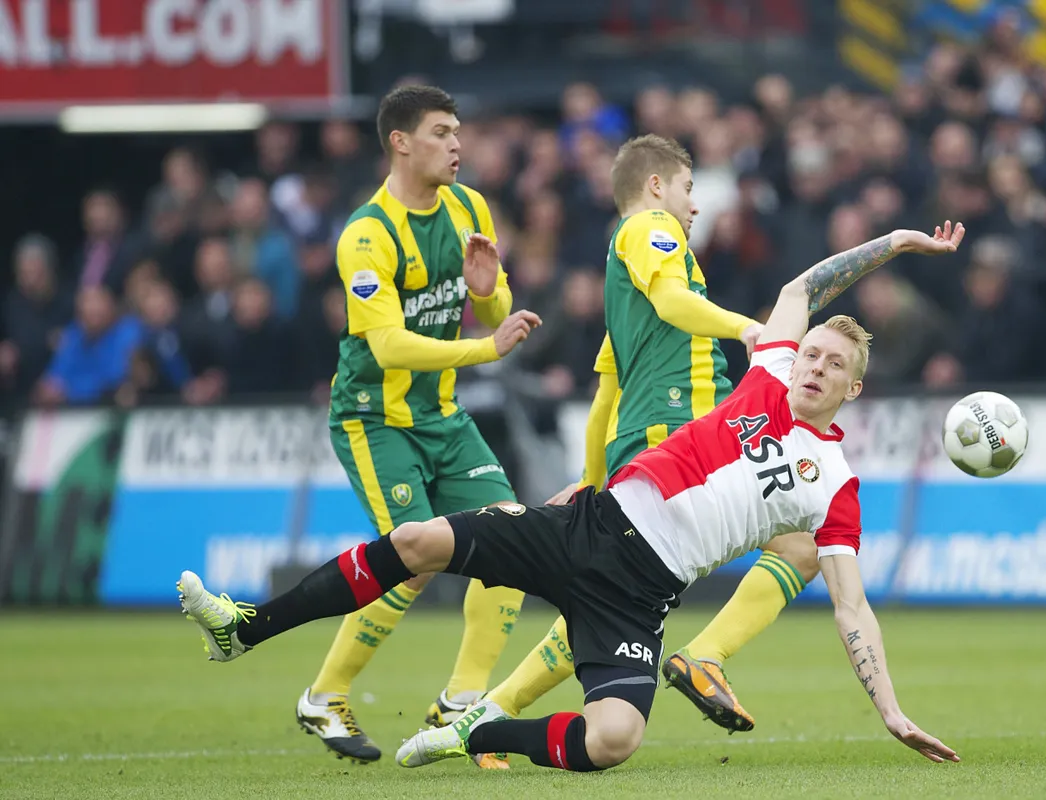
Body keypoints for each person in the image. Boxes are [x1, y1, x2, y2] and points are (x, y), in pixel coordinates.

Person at [176, 220, 967, 772]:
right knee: (418, 543)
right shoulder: (764, 374)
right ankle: (245, 628)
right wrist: (897, 243)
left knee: (615, 739)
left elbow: (851, 607)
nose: (815, 365)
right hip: (590, 526)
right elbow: (803, 285)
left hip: (641, 596)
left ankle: (478, 731)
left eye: (834, 364)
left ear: (854, 388)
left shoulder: (837, 488)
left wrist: (891, 710)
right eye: (813, 352)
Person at [484, 134, 821, 736]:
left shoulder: (629, 296)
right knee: (795, 545)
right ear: (657, 186)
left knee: (611, 596)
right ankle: (700, 658)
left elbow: (603, 400)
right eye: (689, 189)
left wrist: (590, 488)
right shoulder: (648, 232)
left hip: (671, 442)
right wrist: (751, 330)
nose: (695, 206)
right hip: (677, 442)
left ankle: (490, 708)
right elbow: (674, 300)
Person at [294, 84, 541, 766]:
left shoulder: (469, 207)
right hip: (374, 418)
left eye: (457, 130)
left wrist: (490, 294)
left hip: (440, 415)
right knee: (416, 559)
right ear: (400, 142)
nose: (457, 143)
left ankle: (460, 702)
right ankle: (324, 696)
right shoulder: (366, 235)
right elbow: (388, 347)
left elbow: (494, 311)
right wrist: (481, 350)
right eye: (440, 132)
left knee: (511, 540)